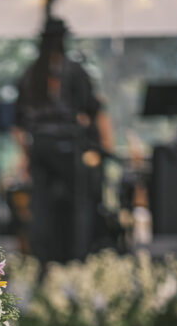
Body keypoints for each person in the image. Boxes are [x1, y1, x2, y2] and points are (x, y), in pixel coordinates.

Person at [13, 17, 113, 266]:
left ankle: (44, 262)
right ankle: (76, 258)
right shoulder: (73, 70)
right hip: (69, 147)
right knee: (80, 205)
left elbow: (18, 124)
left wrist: (26, 155)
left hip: (40, 147)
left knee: (42, 208)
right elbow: (93, 110)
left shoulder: (30, 73)